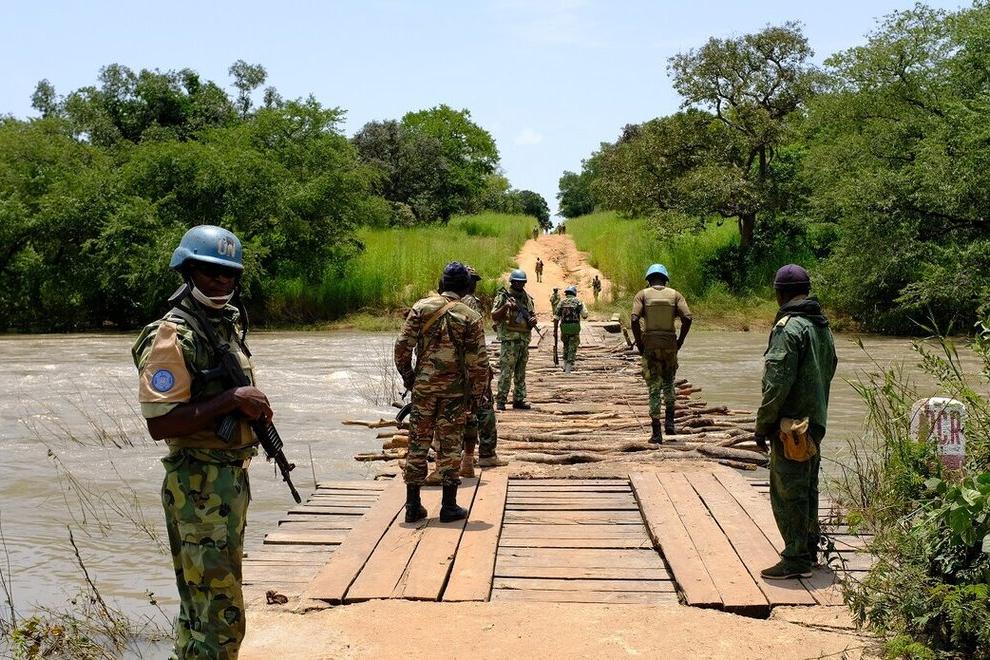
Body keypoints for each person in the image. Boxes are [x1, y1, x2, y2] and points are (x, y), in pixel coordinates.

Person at [132, 225, 269, 658]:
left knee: (203, 609)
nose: (221, 281)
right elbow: (161, 424)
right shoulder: (173, 335)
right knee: (218, 616)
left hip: (226, 482)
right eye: (211, 272)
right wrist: (232, 399)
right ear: (187, 271)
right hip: (199, 484)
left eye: (229, 274)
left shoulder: (222, 325)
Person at [755, 264, 838, 580]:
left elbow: (777, 382)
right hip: (814, 423)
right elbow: (830, 368)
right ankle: (808, 550)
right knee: (808, 488)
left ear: (780, 294)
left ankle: (796, 559)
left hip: (790, 427)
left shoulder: (788, 329)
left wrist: (763, 423)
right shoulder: (821, 326)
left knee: (788, 492)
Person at [394, 262, 489, 523]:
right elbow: (479, 363)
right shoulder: (470, 316)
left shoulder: (421, 308)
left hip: (424, 390)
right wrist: (477, 396)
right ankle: (448, 506)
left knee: (418, 443)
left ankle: (413, 505)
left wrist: (411, 379)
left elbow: (401, 348)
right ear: (466, 287)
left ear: (442, 284)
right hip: (454, 393)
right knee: (450, 445)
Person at [631, 264, 692, 444]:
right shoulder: (675, 295)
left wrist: (640, 343)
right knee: (669, 382)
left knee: (654, 387)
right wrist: (680, 341)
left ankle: (656, 432)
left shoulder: (642, 295)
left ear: (649, 280)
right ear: (665, 280)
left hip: (650, 346)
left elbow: (634, 319)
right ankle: (670, 424)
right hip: (670, 346)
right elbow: (687, 318)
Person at [460, 265, 508, 473]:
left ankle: (461, 454)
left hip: (453, 367)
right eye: (473, 281)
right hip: (473, 366)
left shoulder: (447, 303)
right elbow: (475, 339)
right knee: (485, 407)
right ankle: (487, 453)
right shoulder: (471, 302)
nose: (475, 285)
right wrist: (484, 367)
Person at [492, 269, 537, 411]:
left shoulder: (527, 298)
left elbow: (531, 314)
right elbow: (494, 315)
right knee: (506, 371)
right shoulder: (503, 296)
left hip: (523, 339)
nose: (519, 284)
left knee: (520, 372)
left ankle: (519, 399)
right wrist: (506, 306)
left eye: (522, 282)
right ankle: (501, 400)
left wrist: (533, 320)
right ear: (512, 282)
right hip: (509, 339)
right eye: (517, 282)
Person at [554, 286, 588, 373]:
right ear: (574, 293)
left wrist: (555, 331)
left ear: (566, 293)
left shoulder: (562, 302)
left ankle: (565, 366)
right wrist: (583, 305)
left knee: (565, 346)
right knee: (572, 348)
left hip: (564, 328)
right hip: (574, 328)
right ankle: (568, 370)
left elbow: (556, 318)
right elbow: (585, 315)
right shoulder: (578, 302)